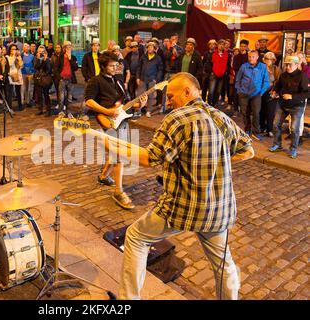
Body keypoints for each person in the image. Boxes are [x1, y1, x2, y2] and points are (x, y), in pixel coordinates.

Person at [100, 72, 254, 300]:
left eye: (171, 96)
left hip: (183, 206)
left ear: (188, 91)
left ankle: (128, 300)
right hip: (217, 208)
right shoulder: (221, 117)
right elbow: (248, 151)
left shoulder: (178, 118)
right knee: (223, 263)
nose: (168, 101)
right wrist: (216, 159)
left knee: (135, 237)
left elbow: (150, 158)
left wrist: (109, 143)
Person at [84, 52, 147, 210]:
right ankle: (118, 191)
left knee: (116, 153)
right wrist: (107, 111)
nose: (115, 68)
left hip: (122, 122)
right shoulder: (95, 81)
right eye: (112, 65)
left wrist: (140, 105)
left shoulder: (118, 80)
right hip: (108, 123)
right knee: (120, 156)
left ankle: (104, 175)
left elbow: (125, 103)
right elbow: (89, 101)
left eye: (116, 65)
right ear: (103, 66)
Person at [269, 55, 309, 159]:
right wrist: (274, 91)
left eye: (290, 65)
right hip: (282, 104)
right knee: (276, 124)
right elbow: (278, 86)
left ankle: (293, 149)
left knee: (294, 128)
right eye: (286, 65)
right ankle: (277, 144)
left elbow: (307, 93)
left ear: (296, 65)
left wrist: (292, 96)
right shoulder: (283, 75)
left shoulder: (302, 76)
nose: (287, 67)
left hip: (296, 106)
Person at [235, 50, 270, 140]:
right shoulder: (244, 66)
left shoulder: (263, 67)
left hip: (256, 94)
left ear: (257, 57)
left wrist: (261, 92)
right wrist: (239, 90)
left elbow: (266, 82)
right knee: (244, 112)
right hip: (243, 93)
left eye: (253, 57)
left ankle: (256, 132)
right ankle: (247, 129)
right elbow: (238, 79)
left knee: (256, 113)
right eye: (249, 56)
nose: (251, 58)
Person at [136, 42, 163, 117]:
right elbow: (139, 67)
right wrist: (138, 77)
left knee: (151, 96)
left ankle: (148, 111)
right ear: (147, 48)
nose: (150, 48)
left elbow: (160, 69)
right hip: (142, 79)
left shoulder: (158, 58)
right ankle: (138, 111)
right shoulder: (143, 57)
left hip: (152, 79)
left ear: (154, 49)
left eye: (152, 47)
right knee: (140, 95)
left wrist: (156, 79)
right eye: (148, 47)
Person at [260, 52, 281, 137]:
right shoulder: (260, 68)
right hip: (261, 92)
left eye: (270, 59)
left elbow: (279, 82)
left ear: (273, 60)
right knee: (261, 111)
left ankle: (269, 129)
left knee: (271, 112)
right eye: (266, 58)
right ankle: (262, 127)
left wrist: (275, 91)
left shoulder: (276, 69)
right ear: (264, 60)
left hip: (272, 92)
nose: (268, 60)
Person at [57, 41, 78, 113]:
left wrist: (70, 59)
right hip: (62, 79)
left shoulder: (73, 57)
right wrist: (59, 77)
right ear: (64, 48)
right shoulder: (60, 57)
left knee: (69, 98)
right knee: (61, 98)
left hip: (70, 79)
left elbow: (75, 68)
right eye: (67, 47)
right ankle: (61, 112)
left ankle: (68, 112)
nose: (68, 48)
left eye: (70, 47)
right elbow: (57, 68)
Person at [208, 39, 229, 108]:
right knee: (211, 91)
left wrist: (225, 72)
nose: (221, 46)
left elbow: (227, 64)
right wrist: (211, 72)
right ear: (218, 45)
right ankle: (209, 104)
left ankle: (214, 104)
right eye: (220, 44)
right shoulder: (213, 53)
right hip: (213, 74)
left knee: (218, 91)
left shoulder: (226, 54)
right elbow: (209, 63)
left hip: (222, 75)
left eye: (223, 44)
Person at [34, 45, 53, 116]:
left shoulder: (47, 59)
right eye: (40, 51)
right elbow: (36, 67)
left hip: (45, 79)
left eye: (42, 52)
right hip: (38, 78)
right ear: (37, 52)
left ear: (45, 52)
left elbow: (48, 70)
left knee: (46, 95)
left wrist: (46, 61)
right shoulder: (36, 58)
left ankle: (48, 110)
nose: (41, 53)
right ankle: (40, 109)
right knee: (39, 95)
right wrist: (39, 59)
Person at [232, 40, 250, 112]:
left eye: (244, 46)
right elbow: (235, 67)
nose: (242, 48)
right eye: (241, 46)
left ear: (247, 47)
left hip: (246, 78)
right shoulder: (236, 56)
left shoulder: (249, 56)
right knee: (236, 93)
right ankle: (236, 109)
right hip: (238, 77)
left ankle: (244, 109)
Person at [5, 44, 23, 111]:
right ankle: (9, 107)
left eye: (15, 49)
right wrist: (13, 57)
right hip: (10, 75)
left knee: (18, 91)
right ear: (9, 50)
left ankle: (20, 105)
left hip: (17, 75)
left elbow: (21, 65)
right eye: (12, 49)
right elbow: (9, 64)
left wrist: (19, 59)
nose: (14, 50)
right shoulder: (7, 57)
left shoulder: (18, 57)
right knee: (10, 92)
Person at [21, 43, 35, 109]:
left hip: (30, 74)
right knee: (23, 88)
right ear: (23, 48)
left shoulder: (32, 56)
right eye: (25, 46)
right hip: (22, 73)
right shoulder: (21, 55)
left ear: (29, 48)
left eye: (27, 47)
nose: (26, 48)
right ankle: (22, 102)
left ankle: (28, 101)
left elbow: (34, 65)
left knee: (29, 88)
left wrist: (32, 72)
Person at [50, 44, 63, 109]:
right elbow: (51, 65)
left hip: (62, 76)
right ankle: (59, 103)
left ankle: (63, 104)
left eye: (59, 47)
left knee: (62, 91)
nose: (57, 49)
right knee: (58, 90)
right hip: (55, 76)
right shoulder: (53, 56)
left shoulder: (63, 55)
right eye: (56, 47)